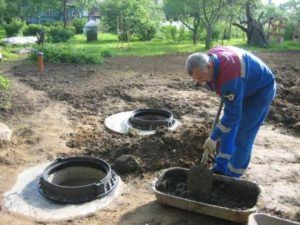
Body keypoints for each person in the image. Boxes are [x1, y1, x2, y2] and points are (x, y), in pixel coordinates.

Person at [185, 46, 276, 178]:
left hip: (260, 91)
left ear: (210, 66)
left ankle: (232, 176)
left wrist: (213, 137)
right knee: (227, 129)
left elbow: (233, 114)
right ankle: (220, 168)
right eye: (196, 79)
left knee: (243, 136)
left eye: (201, 77)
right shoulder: (211, 58)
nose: (199, 82)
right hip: (242, 85)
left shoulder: (228, 78)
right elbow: (229, 103)